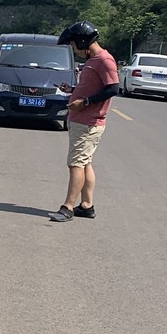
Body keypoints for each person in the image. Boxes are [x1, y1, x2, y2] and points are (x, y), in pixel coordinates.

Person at [48, 21, 119, 222]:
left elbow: (113, 88)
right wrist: (73, 91)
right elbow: (94, 87)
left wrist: (85, 102)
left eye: (73, 45)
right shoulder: (93, 60)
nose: (74, 49)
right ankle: (87, 205)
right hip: (81, 120)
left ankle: (68, 207)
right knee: (85, 163)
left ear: (82, 41)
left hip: (88, 122)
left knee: (76, 164)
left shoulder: (104, 60)